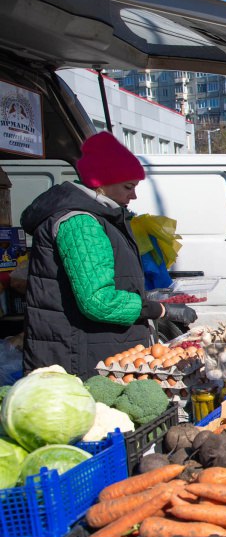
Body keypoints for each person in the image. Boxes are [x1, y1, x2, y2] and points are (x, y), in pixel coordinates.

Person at [21, 132, 197, 378]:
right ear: (100, 182)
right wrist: (158, 310)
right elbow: (98, 301)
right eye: (128, 187)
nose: (133, 196)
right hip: (79, 357)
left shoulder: (99, 218)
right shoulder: (80, 223)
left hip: (93, 350)